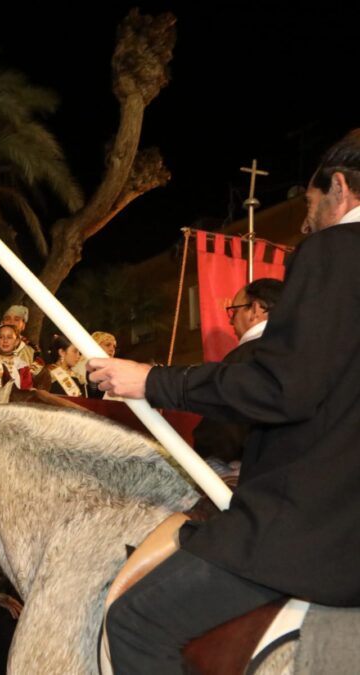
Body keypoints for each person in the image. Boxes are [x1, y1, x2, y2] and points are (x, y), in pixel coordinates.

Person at [90, 130, 360, 674]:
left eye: (310, 205)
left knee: (135, 622)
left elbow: (283, 388)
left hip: (314, 528)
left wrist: (152, 381)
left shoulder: (335, 251)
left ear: (338, 187)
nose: (306, 223)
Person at [191, 278, 283, 475]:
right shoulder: (308, 355)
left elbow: (222, 431)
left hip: (245, 471)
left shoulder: (245, 357)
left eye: (234, 311)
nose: (230, 321)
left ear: (255, 310)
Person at [0, 324, 34, 390]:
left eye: (9, 337)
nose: (5, 341)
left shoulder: (22, 366)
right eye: (1, 337)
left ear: (17, 341)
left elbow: (26, 390)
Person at [1, 304, 43, 373]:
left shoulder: (33, 351)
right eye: (7, 319)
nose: (11, 322)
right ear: (2, 323)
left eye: (16, 320)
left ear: (23, 325)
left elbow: (36, 375)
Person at [83, 331, 118, 399]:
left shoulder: (114, 371)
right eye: (107, 345)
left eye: (114, 346)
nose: (112, 349)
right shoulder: (80, 367)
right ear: (95, 345)